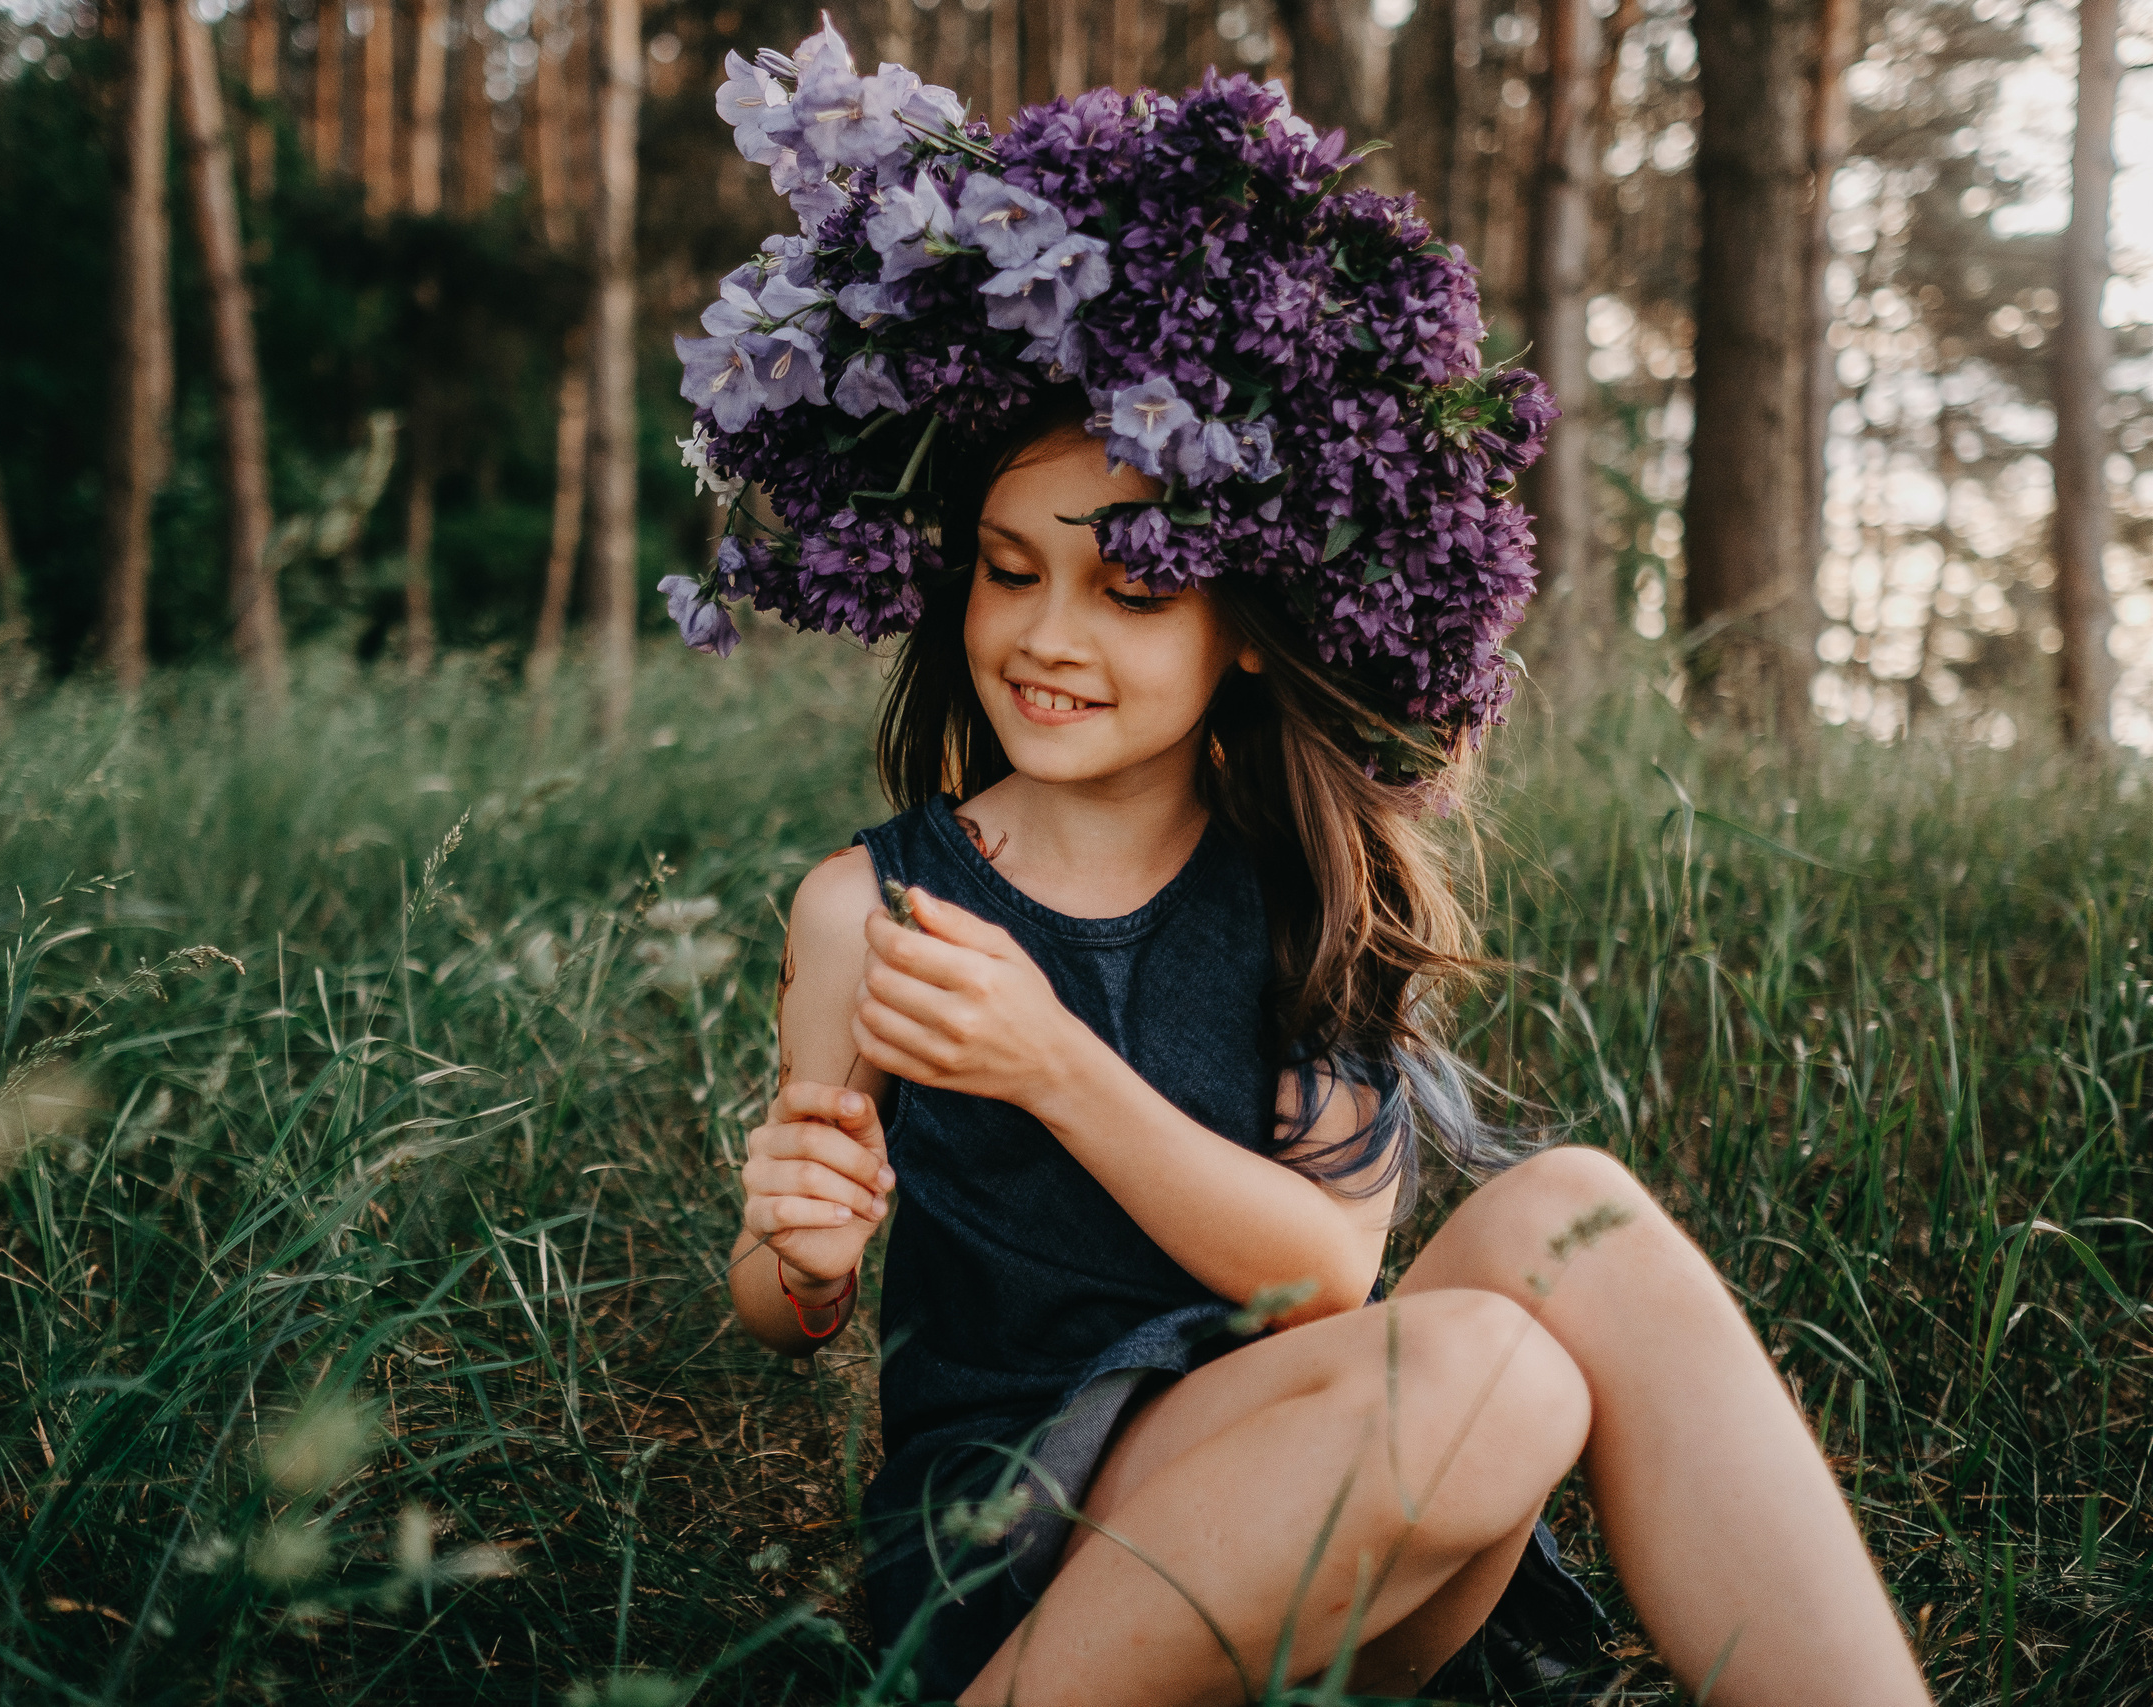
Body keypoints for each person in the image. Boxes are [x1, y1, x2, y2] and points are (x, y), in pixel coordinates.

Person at [675, 34, 1932, 1705]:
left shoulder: (1302, 890)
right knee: (1499, 1372)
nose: (1047, 638)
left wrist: (1050, 1064)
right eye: (1004, 572)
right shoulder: (876, 907)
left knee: (1577, 1216)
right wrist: (802, 1259)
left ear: (1248, 636)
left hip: (1296, 1467)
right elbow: (786, 1300)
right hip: (1016, 1532)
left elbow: (1320, 1275)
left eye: (1130, 594)